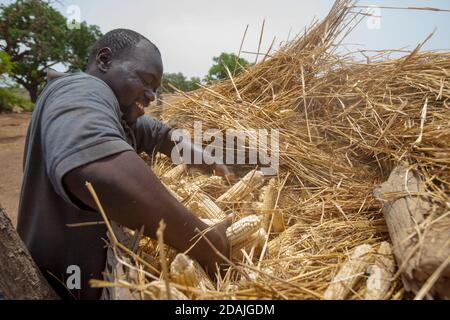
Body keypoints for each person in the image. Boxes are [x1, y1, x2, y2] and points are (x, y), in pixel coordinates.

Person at [17, 29, 234, 300]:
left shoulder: (120, 116)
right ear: (105, 60)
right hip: (62, 288)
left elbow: (164, 137)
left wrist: (213, 164)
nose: (152, 96)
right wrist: (204, 241)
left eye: (156, 89)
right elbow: (97, 169)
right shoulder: (79, 88)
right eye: (146, 81)